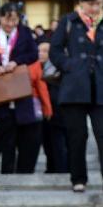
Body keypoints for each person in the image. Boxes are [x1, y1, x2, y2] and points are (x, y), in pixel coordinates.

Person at [50, 0, 103, 194]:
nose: (95, 8)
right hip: (74, 87)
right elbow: (55, 50)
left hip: (101, 86)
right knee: (77, 136)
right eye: (91, 4)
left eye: (99, 3)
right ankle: (78, 178)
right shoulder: (68, 21)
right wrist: (69, 65)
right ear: (81, 3)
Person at [0, 3, 42, 174]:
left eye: (14, 20)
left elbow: (33, 53)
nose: (11, 23)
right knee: (5, 125)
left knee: (13, 128)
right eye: (7, 19)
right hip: (0, 86)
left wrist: (16, 61)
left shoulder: (25, 33)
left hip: (19, 86)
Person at [39, 41, 68, 173]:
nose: (41, 54)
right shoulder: (34, 68)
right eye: (39, 51)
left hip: (57, 112)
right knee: (48, 143)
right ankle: (52, 167)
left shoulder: (58, 69)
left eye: (45, 51)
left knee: (58, 143)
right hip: (42, 113)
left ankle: (61, 168)